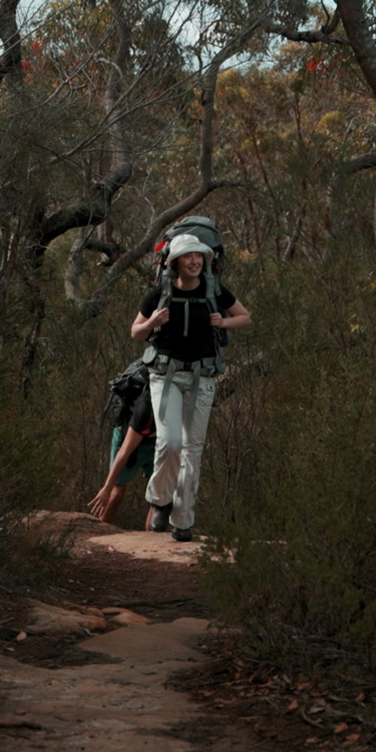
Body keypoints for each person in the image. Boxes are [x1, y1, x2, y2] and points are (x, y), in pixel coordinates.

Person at [129, 232, 252, 542]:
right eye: (188, 256)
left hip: (202, 377)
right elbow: (136, 332)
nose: (195, 261)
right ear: (175, 262)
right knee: (170, 443)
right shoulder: (159, 293)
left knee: (192, 450)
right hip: (165, 376)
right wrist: (152, 323)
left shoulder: (215, 290)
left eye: (199, 256)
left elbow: (244, 317)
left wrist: (223, 322)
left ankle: (183, 521)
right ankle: (160, 500)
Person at [86, 388, 156, 523]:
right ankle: (102, 531)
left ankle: (153, 533)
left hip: (156, 442)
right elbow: (124, 451)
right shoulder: (145, 410)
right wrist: (107, 488)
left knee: (160, 496)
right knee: (116, 494)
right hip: (128, 435)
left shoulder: (179, 409)